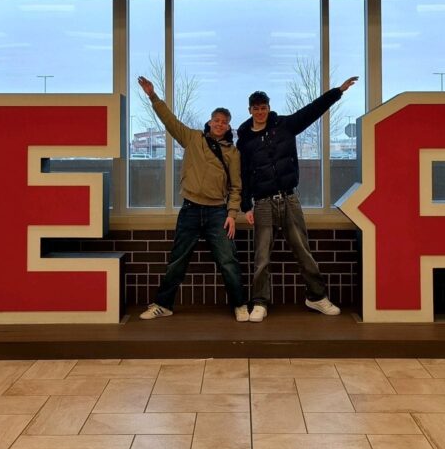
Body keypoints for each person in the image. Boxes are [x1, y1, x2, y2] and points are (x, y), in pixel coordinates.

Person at [237, 77, 360, 322]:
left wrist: (337, 92)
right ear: (250, 110)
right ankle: (259, 302)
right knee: (261, 257)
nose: (260, 112)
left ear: (269, 108)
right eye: (256, 108)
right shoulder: (245, 141)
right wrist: (245, 205)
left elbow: (312, 110)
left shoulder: (285, 126)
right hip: (262, 203)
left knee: (303, 250)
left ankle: (316, 296)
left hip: (290, 199)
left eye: (264, 107)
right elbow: (242, 175)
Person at [136, 75, 249, 322]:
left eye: (224, 122)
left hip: (217, 213)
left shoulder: (233, 153)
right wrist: (153, 96)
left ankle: (240, 304)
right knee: (178, 259)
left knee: (228, 260)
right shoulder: (192, 138)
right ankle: (163, 305)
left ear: (229, 127)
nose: (220, 124)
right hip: (190, 209)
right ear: (209, 122)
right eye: (216, 120)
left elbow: (236, 187)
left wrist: (232, 215)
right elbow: (170, 121)